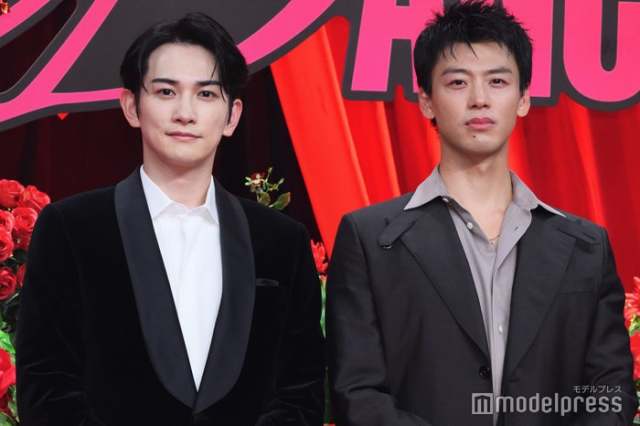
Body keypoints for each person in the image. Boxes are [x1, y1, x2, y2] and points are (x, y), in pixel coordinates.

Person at [326, 1, 636, 425]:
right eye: (457, 82)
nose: (479, 99)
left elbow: (611, 391)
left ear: (523, 99)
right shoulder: (369, 239)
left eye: (497, 81)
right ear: (427, 101)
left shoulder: (585, 246)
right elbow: (357, 394)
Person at [16, 12, 324, 426]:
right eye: (165, 91)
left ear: (232, 116)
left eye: (206, 94)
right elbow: (47, 386)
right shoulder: (71, 228)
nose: (185, 112)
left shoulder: (281, 241)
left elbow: (301, 392)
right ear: (132, 106)